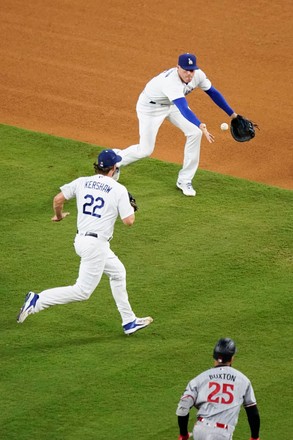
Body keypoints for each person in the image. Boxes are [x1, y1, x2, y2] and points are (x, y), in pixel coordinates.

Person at [17, 149, 153, 335]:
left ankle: (129, 321)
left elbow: (58, 199)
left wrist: (58, 217)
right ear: (113, 169)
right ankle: (37, 300)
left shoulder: (82, 182)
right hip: (95, 246)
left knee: (118, 273)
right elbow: (128, 221)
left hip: (81, 240)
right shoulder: (119, 189)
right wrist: (129, 207)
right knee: (82, 291)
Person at [114, 52, 238, 196]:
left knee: (194, 133)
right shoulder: (171, 82)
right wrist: (199, 124)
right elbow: (183, 108)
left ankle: (185, 180)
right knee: (145, 150)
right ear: (177, 67)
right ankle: (116, 160)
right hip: (151, 108)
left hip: (172, 105)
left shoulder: (198, 75)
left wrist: (233, 115)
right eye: (185, 70)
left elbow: (213, 93)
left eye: (191, 70)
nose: (189, 74)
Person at [176, 338, 260, 439]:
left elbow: (182, 409)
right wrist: (255, 437)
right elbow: (253, 412)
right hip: (221, 434)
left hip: (200, 429)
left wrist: (183, 434)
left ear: (214, 356)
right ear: (232, 358)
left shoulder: (200, 378)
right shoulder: (243, 380)